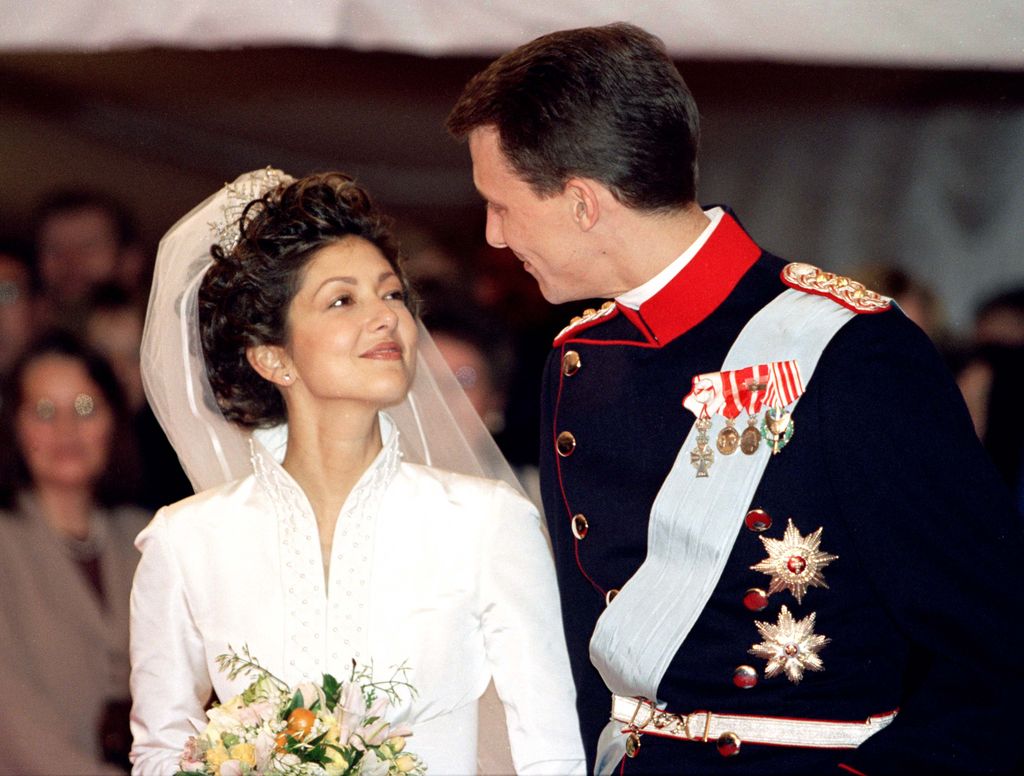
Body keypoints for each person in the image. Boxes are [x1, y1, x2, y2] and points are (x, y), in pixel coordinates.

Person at [447, 22, 1024, 776]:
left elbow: (990, 654)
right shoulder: (577, 359)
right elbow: (589, 655)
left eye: (502, 205)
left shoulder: (853, 350)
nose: (492, 237)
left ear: (582, 202)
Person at [128, 170, 585, 775]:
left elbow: (550, 753)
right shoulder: (184, 541)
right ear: (273, 357)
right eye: (343, 300)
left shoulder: (488, 522)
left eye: (392, 294)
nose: (386, 318)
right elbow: (159, 751)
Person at [0, 332, 149, 775]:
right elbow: (11, 718)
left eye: (85, 408)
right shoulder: (7, 545)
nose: (66, 430)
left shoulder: (149, 536)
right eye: (44, 412)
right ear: (14, 425)